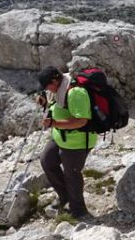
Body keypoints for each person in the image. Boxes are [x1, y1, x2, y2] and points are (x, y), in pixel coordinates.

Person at [36, 66, 96, 219]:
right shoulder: (59, 88)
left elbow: (81, 121)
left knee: (72, 174)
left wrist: (53, 124)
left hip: (77, 141)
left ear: (55, 81)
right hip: (61, 137)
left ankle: (79, 211)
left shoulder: (76, 92)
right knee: (47, 161)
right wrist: (45, 104)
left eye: (47, 86)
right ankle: (65, 197)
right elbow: (57, 107)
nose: (47, 90)